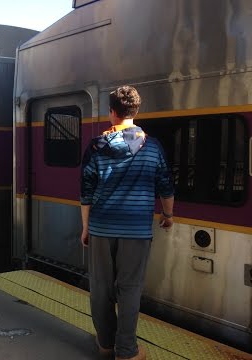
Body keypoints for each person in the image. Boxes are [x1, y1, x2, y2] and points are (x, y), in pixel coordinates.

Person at [80, 86, 174, 360]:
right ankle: (127, 351)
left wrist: (86, 228)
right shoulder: (152, 147)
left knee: (100, 287)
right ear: (135, 111)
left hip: (101, 227)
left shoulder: (96, 147)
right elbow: (165, 186)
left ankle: (106, 344)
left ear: (111, 112)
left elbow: (85, 193)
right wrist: (167, 215)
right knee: (129, 289)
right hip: (136, 231)